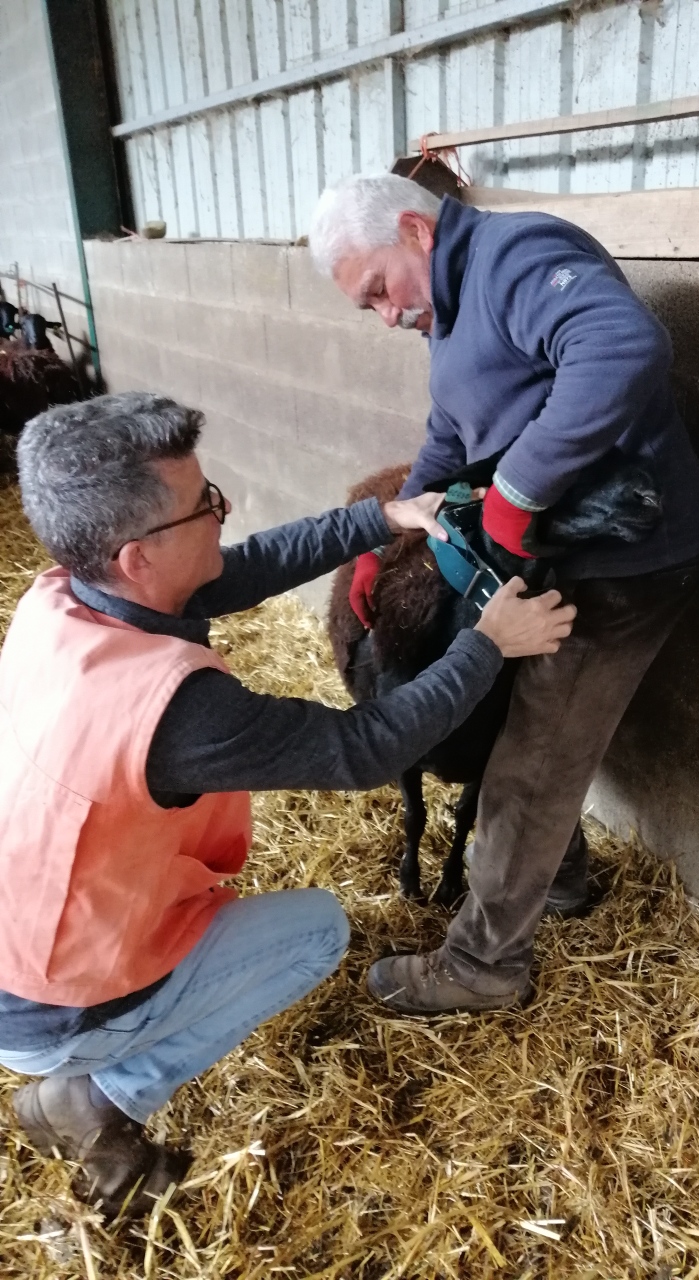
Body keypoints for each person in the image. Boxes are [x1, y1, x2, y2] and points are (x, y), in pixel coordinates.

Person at [0, 391, 574, 1217]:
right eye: (205, 506)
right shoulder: (176, 711)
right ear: (136, 557)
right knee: (318, 931)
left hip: (26, 951)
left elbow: (240, 568)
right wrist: (488, 644)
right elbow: (364, 749)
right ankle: (102, 1095)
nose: (222, 513)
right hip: (59, 1000)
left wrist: (384, 517)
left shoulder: (62, 598)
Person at [310, 173, 699, 1015]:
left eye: (381, 290)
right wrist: (397, 529)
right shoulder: (450, 305)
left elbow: (623, 348)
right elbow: (455, 428)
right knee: (519, 726)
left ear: (416, 230)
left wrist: (520, 488)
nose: (386, 316)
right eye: (367, 308)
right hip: (568, 547)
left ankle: (484, 964)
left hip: (624, 556)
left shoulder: (516, 256)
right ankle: (560, 880)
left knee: (536, 755)